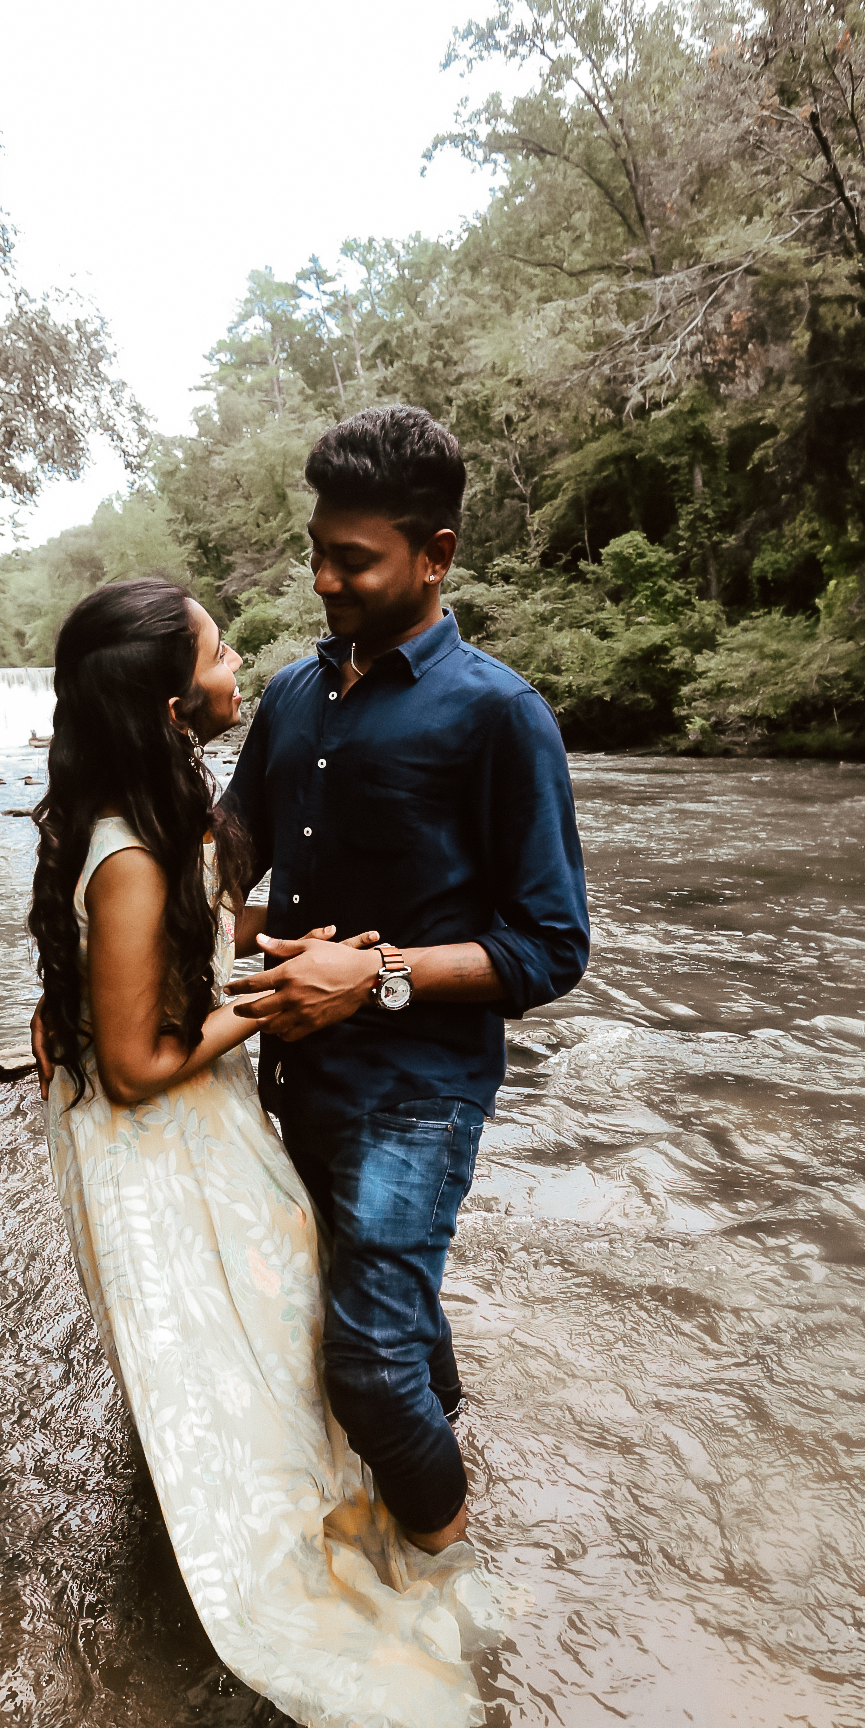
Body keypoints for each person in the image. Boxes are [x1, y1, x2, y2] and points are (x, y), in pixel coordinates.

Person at [29, 577, 489, 1728]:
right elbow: (132, 1067)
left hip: (185, 1123)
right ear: (177, 701)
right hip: (162, 1138)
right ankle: (277, 1561)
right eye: (222, 650)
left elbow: (119, 998)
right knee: (255, 1341)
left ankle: (269, 1519)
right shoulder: (131, 852)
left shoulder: (151, 806)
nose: (244, 663)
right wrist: (270, 1006)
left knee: (247, 1337)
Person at [222, 405, 590, 1555]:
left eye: (354, 562)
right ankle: (450, 1452)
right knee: (378, 1318)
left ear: (435, 557)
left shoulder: (498, 715)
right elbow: (235, 846)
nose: (323, 582)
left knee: (367, 1365)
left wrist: (372, 972)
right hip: (291, 1077)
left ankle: (450, 1583)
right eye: (317, 554)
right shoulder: (289, 695)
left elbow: (550, 946)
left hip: (416, 1091)